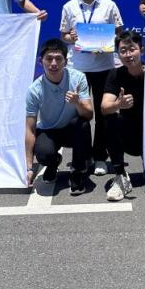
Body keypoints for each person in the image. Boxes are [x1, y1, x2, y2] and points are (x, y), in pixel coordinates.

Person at [60, 0, 123, 176]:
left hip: (104, 67)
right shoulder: (69, 6)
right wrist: (71, 37)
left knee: (104, 114)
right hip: (78, 68)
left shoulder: (109, 5)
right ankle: (83, 155)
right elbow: (64, 35)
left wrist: (105, 39)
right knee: (81, 113)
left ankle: (100, 156)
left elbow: (119, 33)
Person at [25, 38, 93, 195]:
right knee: (43, 154)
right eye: (49, 59)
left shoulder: (78, 78)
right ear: (41, 61)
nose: (53, 63)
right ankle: (53, 162)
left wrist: (77, 103)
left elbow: (89, 115)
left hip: (72, 129)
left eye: (58, 59)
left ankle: (77, 171)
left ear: (65, 61)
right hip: (49, 130)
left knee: (82, 123)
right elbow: (30, 129)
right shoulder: (34, 90)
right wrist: (29, 168)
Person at [100, 30, 145, 201]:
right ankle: (121, 176)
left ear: (141, 49)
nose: (128, 54)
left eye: (132, 49)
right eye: (123, 51)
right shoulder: (115, 74)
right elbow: (104, 107)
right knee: (110, 118)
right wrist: (118, 104)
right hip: (129, 135)